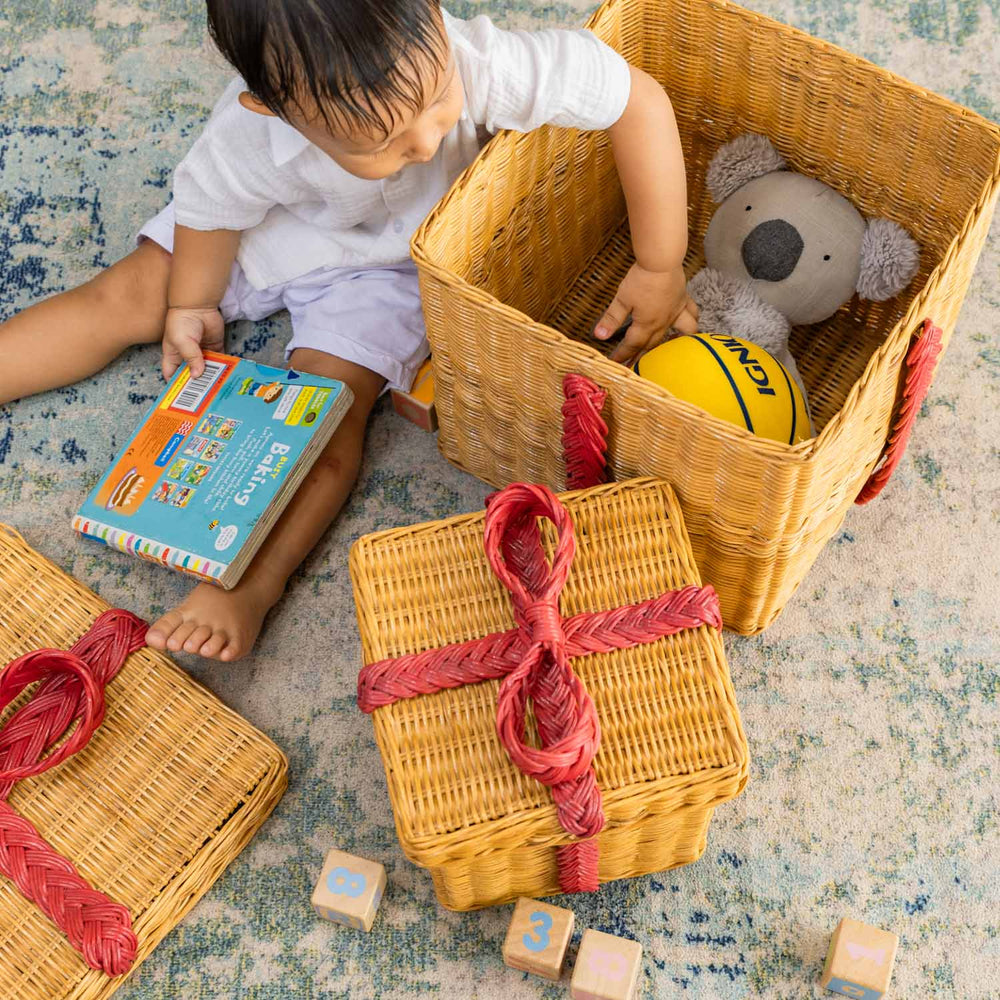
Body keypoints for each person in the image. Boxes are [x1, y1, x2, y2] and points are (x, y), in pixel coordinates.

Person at [0, 0, 697, 661]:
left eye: (436, 103)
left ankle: (247, 587)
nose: (427, 140)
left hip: (386, 270)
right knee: (119, 297)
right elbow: (209, 211)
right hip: (273, 229)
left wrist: (660, 264)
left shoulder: (480, 60)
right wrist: (190, 303)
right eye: (387, 141)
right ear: (273, 109)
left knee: (329, 416)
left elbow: (636, 98)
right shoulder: (246, 135)